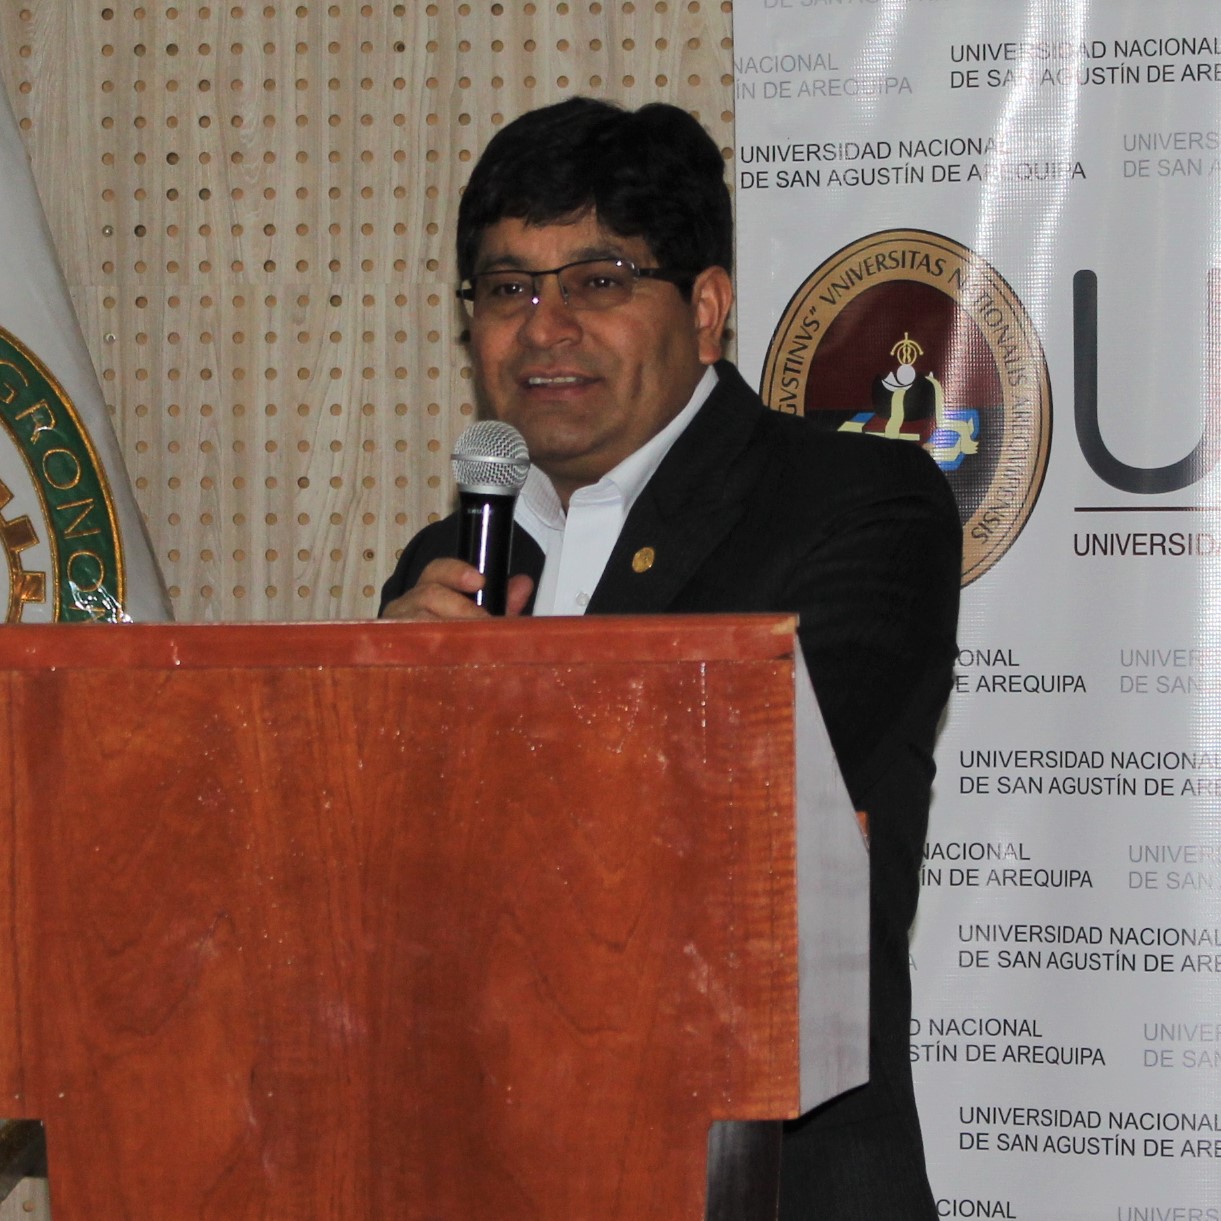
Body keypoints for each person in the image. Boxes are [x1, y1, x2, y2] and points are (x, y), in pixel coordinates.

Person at [381, 97, 961, 1219]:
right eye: (507, 289)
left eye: (598, 281)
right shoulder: (442, 568)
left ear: (705, 310)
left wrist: (478, 712)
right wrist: (366, 718)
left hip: (763, 1181)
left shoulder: (855, 506)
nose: (544, 327)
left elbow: (744, 803)